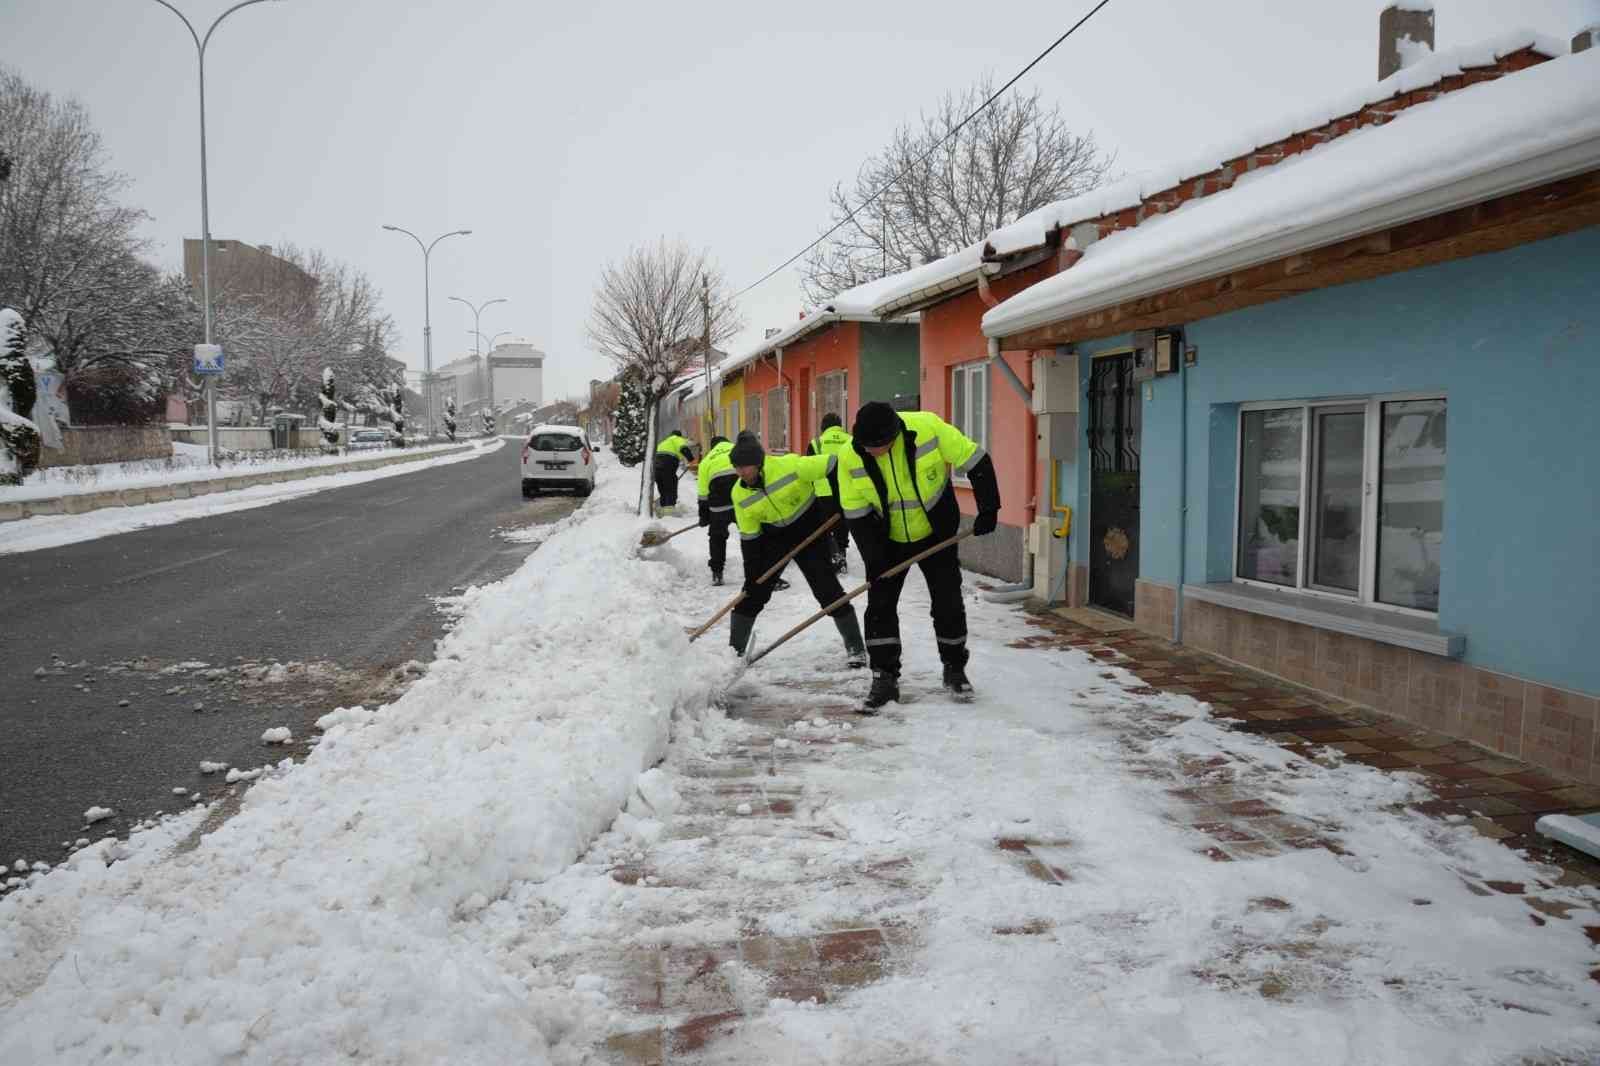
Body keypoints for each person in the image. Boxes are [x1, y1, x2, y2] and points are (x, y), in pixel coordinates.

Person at [838, 401, 1000, 711]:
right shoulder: (850, 456)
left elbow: (976, 459)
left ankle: (955, 669)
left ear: (895, 434)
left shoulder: (927, 428)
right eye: (867, 445)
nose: (873, 451)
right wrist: (875, 559)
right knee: (880, 606)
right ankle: (884, 677)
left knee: (948, 601)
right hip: (887, 540)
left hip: (935, 533)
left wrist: (989, 507)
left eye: (879, 445)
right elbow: (856, 513)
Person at [726, 431, 865, 665]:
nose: (741, 473)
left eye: (746, 467)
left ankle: (856, 648)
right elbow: (749, 538)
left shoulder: (791, 465)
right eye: (737, 468)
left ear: (758, 463)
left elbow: (834, 464)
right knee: (751, 594)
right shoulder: (739, 493)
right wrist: (753, 577)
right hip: (775, 538)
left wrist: (839, 503)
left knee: (827, 590)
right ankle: (733, 653)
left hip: (810, 532)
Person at [804, 413, 854, 574]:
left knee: (825, 526)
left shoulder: (816, 443)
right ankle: (842, 552)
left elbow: (809, 469)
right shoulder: (851, 440)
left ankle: (833, 555)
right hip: (848, 490)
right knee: (842, 523)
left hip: (823, 492)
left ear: (823, 427)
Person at [696, 435, 736, 586]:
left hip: (719, 505)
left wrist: (704, 516)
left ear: (713, 447)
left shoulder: (706, 461)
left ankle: (717, 573)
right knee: (752, 536)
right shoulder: (737, 450)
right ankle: (764, 573)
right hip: (741, 500)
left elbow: (703, 494)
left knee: (717, 537)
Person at [653, 430, 696, 515]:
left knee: (662, 486)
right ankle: (669, 510)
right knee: (671, 484)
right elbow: (684, 448)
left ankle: (663, 507)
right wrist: (691, 459)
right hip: (667, 463)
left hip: (656, 465)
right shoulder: (677, 439)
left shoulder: (664, 442)